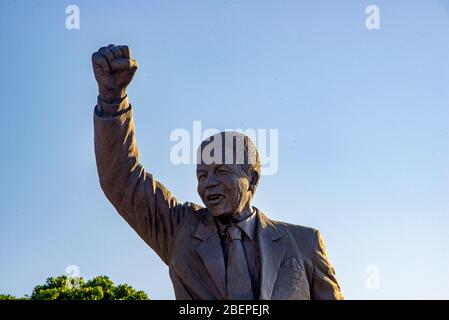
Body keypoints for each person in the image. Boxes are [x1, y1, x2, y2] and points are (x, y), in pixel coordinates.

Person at [92, 44, 343, 300]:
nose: (208, 183)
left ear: (252, 179)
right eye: (201, 175)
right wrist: (112, 99)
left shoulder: (304, 244)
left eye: (221, 171)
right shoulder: (180, 230)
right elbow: (122, 177)